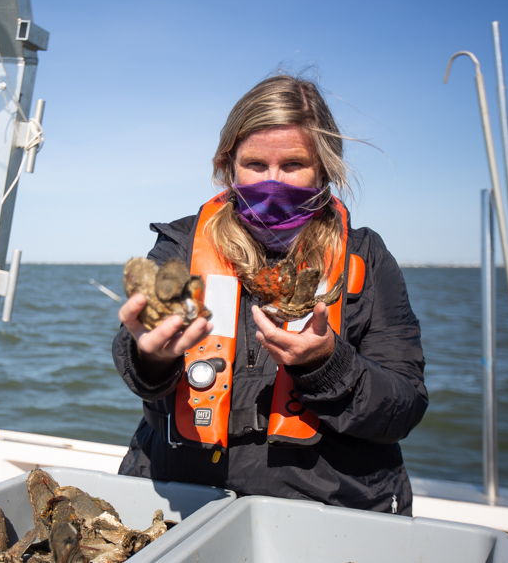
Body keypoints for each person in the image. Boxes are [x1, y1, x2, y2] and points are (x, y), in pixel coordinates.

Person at [113, 74, 427, 515]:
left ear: (324, 168)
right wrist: (151, 356)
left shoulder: (367, 258)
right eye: (256, 165)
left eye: (293, 165)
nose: (273, 181)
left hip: (326, 505)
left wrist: (326, 364)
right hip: (185, 495)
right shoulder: (181, 244)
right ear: (228, 165)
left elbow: (405, 405)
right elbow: (137, 363)